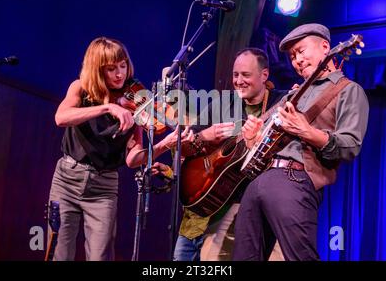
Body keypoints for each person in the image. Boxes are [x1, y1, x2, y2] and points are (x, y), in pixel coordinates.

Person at [232, 23, 369, 261]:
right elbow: (265, 140)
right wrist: (253, 137)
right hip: (259, 182)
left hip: (294, 180)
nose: (297, 60)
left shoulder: (349, 90)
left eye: (302, 51)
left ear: (325, 47)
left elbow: (350, 146)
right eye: (293, 56)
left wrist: (306, 131)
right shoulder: (291, 95)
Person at [48, 37, 192, 261]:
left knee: (100, 256)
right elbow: (61, 117)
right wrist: (108, 107)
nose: (120, 74)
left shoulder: (135, 100)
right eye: (111, 69)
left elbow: (133, 159)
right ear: (97, 70)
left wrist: (165, 144)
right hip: (67, 179)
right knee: (60, 253)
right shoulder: (80, 89)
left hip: (104, 187)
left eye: (123, 66)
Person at [172, 47, 287, 261]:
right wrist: (205, 135)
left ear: (264, 75)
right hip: (201, 208)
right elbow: (183, 149)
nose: (239, 81)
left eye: (245, 75)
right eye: (235, 75)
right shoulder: (222, 104)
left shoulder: (279, 103)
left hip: (243, 206)